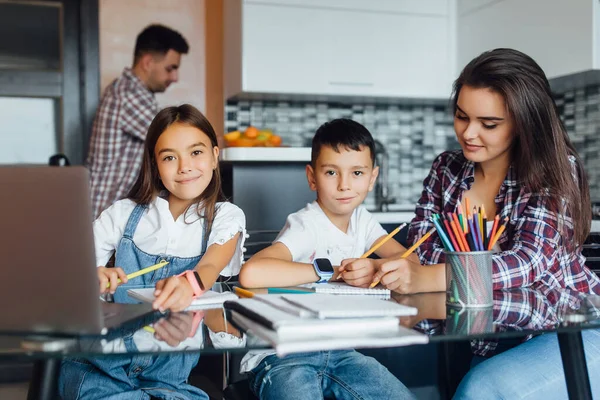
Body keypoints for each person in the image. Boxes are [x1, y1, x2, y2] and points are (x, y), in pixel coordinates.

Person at [347, 48, 600, 399]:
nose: (468, 133)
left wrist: (425, 276)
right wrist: (385, 269)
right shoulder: (446, 170)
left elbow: (527, 264)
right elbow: (422, 250)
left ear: (525, 122)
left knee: (479, 390)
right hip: (490, 337)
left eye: (489, 124)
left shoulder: (555, 169)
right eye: (462, 116)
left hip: (574, 331)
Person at [59, 104, 246, 399]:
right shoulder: (123, 213)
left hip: (169, 381)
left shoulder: (226, 217)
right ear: (155, 165)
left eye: (195, 152)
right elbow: (69, 273)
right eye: (170, 157)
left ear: (214, 155)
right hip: (99, 369)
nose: (184, 166)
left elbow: (210, 266)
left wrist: (189, 284)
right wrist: (91, 279)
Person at [239, 118, 416, 399]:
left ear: (372, 178)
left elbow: (410, 263)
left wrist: (374, 266)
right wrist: (331, 271)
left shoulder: (363, 222)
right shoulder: (307, 224)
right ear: (312, 177)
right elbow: (252, 273)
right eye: (332, 172)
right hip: (283, 354)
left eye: (357, 172)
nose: (344, 185)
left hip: (341, 352)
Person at [87, 24, 189, 218]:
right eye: (170, 68)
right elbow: (177, 138)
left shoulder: (134, 93)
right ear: (148, 62)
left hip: (110, 214)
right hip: (103, 215)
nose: (175, 77)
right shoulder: (128, 94)